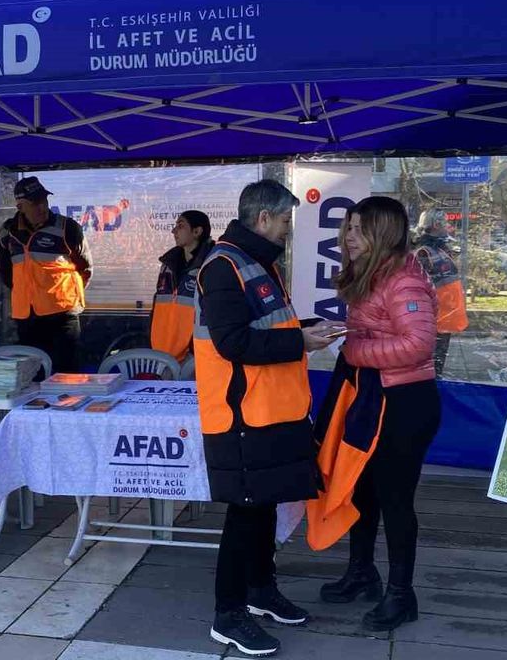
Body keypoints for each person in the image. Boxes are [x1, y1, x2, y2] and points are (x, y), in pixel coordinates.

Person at [194, 180, 338, 657]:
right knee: (246, 514)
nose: (287, 229)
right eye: (284, 221)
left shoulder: (258, 263)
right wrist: (300, 342)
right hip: (241, 416)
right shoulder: (223, 266)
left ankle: (261, 590)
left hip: (274, 410)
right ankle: (228, 614)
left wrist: (306, 329)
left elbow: (267, 327)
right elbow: (233, 343)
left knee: (265, 508)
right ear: (262, 218)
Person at [312, 196, 441, 632]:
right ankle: (362, 572)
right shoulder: (374, 273)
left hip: (404, 404)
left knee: (395, 499)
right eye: (347, 228)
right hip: (374, 398)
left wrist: (355, 350)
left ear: (382, 233)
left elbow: (419, 345)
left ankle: (402, 595)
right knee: (362, 490)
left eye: (357, 229)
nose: (347, 238)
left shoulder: (404, 280)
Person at [0, 176, 92, 373]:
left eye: (44, 201)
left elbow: (85, 268)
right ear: (20, 206)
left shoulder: (67, 228)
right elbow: (6, 272)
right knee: (33, 376)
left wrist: (62, 295)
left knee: (67, 376)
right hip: (27, 317)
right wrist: (26, 293)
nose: (42, 207)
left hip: (63, 315)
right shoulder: (7, 232)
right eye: (35, 203)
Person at [150, 210, 215, 362]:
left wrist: (194, 351)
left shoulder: (211, 264)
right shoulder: (167, 265)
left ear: (197, 231)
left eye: (180, 226)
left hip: (196, 357)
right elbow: (156, 309)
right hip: (162, 354)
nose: (174, 231)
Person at [412, 209, 467, 375]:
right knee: (431, 369)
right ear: (436, 225)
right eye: (445, 223)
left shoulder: (440, 249)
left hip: (444, 319)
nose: (448, 226)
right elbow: (416, 291)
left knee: (437, 366)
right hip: (435, 322)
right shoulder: (424, 252)